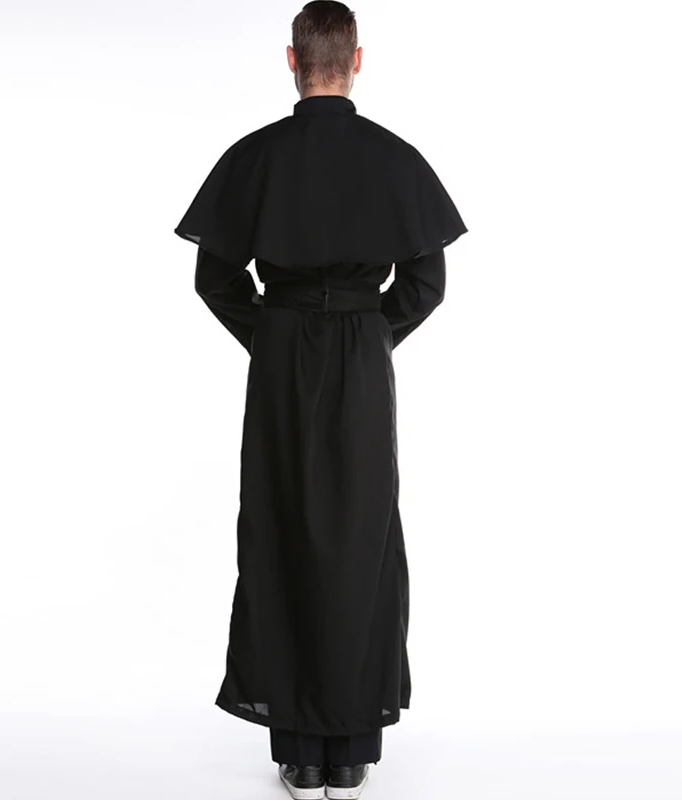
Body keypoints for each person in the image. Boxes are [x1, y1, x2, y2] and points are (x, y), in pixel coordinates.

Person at [173, 2, 468, 797]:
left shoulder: (255, 157)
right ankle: (352, 747)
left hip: (279, 356)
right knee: (361, 535)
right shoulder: (395, 159)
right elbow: (426, 284)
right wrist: (366, 334)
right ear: (357, 61)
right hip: (364, 358)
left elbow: (214, 278)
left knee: (282, 529)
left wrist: (276, 335)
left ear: (292, 60)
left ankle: (299, 753)